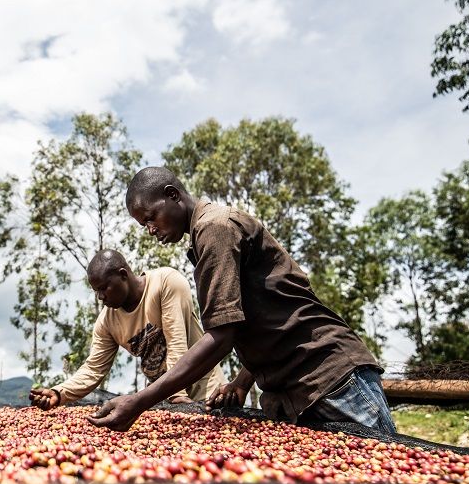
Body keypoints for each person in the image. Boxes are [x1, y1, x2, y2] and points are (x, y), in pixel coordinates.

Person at [88, 167, 395, 434]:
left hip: (330, 379)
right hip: (298, 391)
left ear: (172, 195)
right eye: (144, 225)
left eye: (151, 217)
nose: (151, 229)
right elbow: (257, 315)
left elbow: (221, 337)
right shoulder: (205, 236)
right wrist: (241, 382)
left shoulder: (215, 229)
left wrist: (140, 402)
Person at [29, 249, 226, 410]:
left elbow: (176, 341)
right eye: (96, 291)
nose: (100, 297)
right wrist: (59, 393)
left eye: (104, 288)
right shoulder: (107, 322)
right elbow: (93, 369)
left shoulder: (165, 283)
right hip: (166, 399)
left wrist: (177, 396)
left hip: (206, 393)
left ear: (123, 275)